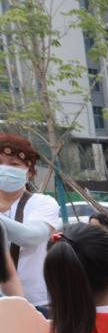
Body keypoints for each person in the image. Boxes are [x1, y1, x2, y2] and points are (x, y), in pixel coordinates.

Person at [0, 134, 57, 315]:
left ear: (30, 172)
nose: (4, 168)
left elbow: (30, 237)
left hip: (37, 304)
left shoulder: (42, 203)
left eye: (14, 164)